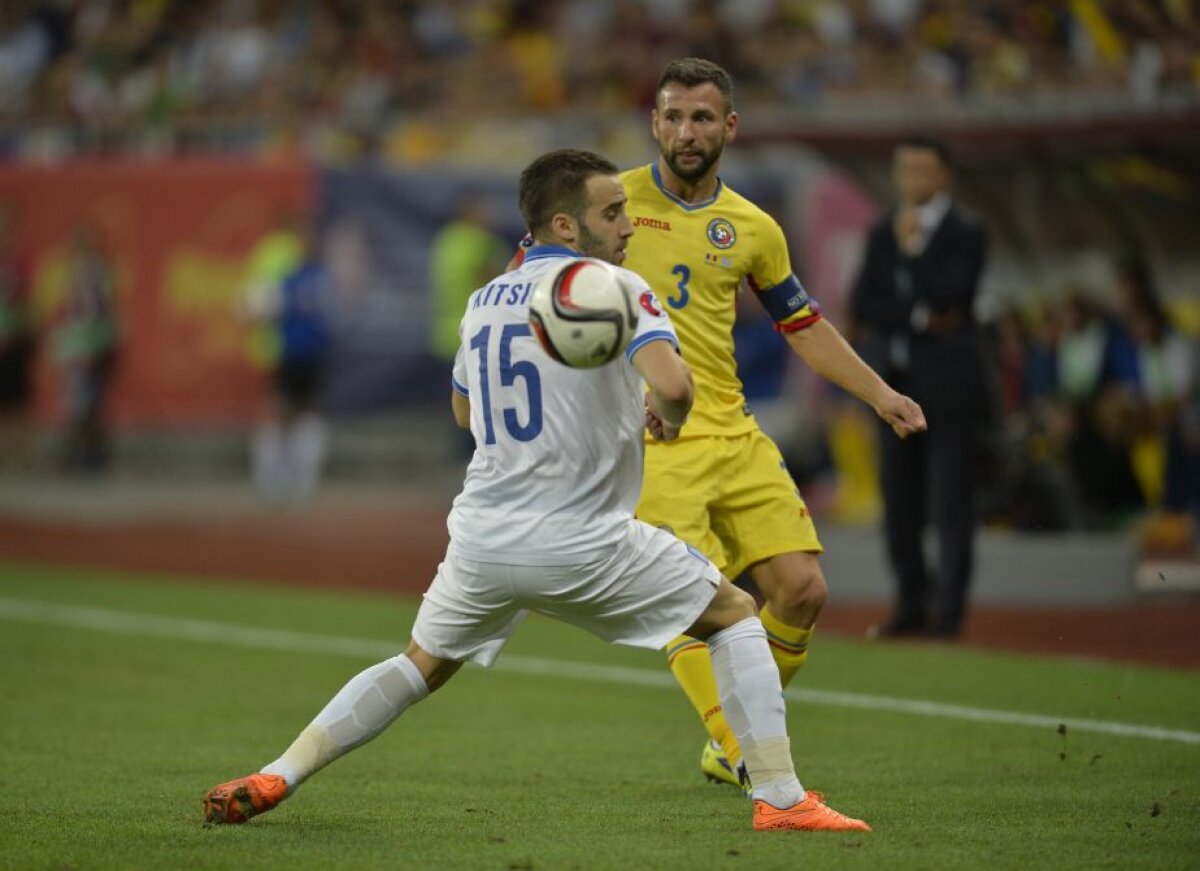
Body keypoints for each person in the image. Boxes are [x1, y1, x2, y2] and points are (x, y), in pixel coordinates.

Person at [202, 148, 871, 833]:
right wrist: (658, 415)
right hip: (583, 537)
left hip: (484, 538)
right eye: (612, 213)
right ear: (566, 224)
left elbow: (465, 412)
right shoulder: (616, 288)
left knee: (420, 664)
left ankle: (276, 772)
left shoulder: (489, 295)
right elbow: (674, 388)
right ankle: (783, 798)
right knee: (733, 613)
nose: (628, 225)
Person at [569, 58, 925, 791]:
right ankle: (741, 745)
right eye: (673, 115)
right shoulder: (611, 205)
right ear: (654, 123)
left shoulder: (754, 227)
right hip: (651, 439)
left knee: (802, 590)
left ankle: (730, 741)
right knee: (688, 598)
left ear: (729, 126)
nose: (686, 131)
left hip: (733, 431)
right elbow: (542, 287)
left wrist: (880, 393)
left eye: (702, 118)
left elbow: (804, 324)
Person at [849, 134, 989, 639]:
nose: (912, 180)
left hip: (948, 390)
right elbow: (865, 302)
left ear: (944, 176)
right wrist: (921, 315)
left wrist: (912, 255)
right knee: (899, 502)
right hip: (894, 386)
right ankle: (911, 604)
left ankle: (947, 616)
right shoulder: (883, 230)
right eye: (904, 170)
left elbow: (954, 296)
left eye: (922, 170)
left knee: (950, 504)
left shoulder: (966, 232)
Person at [244, 220, 334, 504]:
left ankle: (298, 479)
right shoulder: (294, 278)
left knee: (304, 412)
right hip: (294, 352)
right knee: (284, 411)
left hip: (310, 353)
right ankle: (273, 476)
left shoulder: (312, 278)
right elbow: (258, 310)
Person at [54, 223, 119, 474]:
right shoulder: (76, 272)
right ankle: (85, 455)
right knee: (81, 403)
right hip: (80, 345)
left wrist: (91, 347)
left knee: (87, 403)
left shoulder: (93, 273)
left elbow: (94, 313)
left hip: (90, 345)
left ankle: (89, 457)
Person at [0, 198, 34, 469]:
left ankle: (18, 458)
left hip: (14, 342)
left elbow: (28, 303)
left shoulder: (20, 264)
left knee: (17, 402)